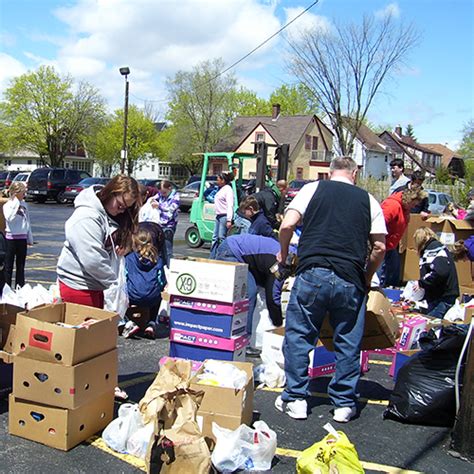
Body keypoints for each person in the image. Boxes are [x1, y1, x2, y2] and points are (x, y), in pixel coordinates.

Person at [276, 156, 386, 423]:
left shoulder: (312, 189)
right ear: (355, 173)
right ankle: (343, 404)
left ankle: (296, 398)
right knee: (348, 341)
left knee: (299, 337)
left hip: (312, 272)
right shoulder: (369, 201)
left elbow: (287, 225)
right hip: (350, 277)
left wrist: (283, 256)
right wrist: (366, 277)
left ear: (329, 172)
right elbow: (380, 247)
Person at [57, 175, 140, 401]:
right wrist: (114, 282)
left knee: (97, 340)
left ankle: (95, 384)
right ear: (111, 192)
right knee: (86, 342)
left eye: (126, 208)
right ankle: (83, 388)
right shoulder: (86, 217)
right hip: (78, 284)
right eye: (120, 205)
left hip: (95, 284)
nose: (121, 211)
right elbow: (91, 258)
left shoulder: (107, 215)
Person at [215, 233, 289, 357]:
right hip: (230, 252)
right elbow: (273, 297)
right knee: (249, 294)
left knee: (253, 291)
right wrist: (278, 324)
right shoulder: (281, 263)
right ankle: (245, 342)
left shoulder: (285, 252)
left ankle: (235, 333)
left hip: (237, 249)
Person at [123, 223, 166, 339]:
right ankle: (151, 323)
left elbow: (124, 277)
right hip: (152, 298)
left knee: (121, 294)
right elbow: (161, 281)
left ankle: (127, 321)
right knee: (158, 295)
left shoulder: (129, 258)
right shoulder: (157, 260)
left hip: (133, 296)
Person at [378, 187, 426, 287]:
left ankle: (391, 292)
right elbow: (379, 224)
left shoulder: (405, 209)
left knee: (394, 272)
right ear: (408, 200)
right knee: (380, 274)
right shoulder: (392, 206)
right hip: (382, 245)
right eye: (413, 204)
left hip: (391, 245)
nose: (414, 207)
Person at [413, 227, 459, 318]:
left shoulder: (433, 250)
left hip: (442, 297)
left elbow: (439, 272)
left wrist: (421, 282)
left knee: (430, 326)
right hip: (439, 296)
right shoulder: (435, 248)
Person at [3, 182, 33, 288]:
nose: (24, 194)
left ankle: (20, 288)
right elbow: (9, 218)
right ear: (16, 192)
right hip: (11, 239)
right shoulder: (8, 205)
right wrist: (16, 202)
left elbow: (27, 221)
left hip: (22, 238)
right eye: (23, 192)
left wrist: (29, 237)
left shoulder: (24, 205)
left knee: (21, 266)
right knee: (8, 266)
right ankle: (6, 289)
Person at [143, 180, 179, 267]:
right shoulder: (160, 194)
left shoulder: (176, 197)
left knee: (167, 249)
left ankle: (169, 267)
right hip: (159, 225)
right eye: (161, 192)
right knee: (159, 250)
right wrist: (151, 201)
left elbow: (171, 209)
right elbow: (153, 198)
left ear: (169, 188)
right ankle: (161, 268)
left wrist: (159, 206)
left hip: (169, 225)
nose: (162, 194)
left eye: (164, 192)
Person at [209, 172, 234, 258]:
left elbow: (230, 205)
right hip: (218, 216)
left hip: (224, 216)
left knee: (221, 237)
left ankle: (222, 256)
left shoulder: (228, 190)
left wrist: (229, 220)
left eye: (218, 179)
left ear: (223, 180)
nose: (217, 181)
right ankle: (212, 256)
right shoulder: (220, 189)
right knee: (215, 237)